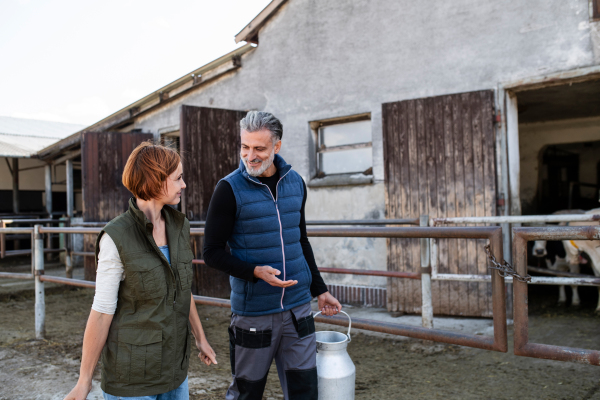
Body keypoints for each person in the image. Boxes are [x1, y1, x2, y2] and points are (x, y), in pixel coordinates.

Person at [203, 111, 342, 400]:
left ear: (276, 147)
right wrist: (255, 271)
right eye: (244, 147)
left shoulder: (296, 183)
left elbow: (300, 240)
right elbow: (211, 253)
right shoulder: (228, 189)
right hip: (254, 314)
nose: (249, 156)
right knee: (246, 394)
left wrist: (320, 289)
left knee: (305, 392)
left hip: (298, 310)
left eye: (259, 149)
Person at [64, 142, 217, 400]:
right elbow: (101, 313)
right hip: (132, 380)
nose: (184, 185)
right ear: (155, 181)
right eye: (178, 178)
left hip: (174, 370)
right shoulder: (115, 237)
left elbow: (182, 289)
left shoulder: (179, 226)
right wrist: (84, 382)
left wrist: (200, 338)